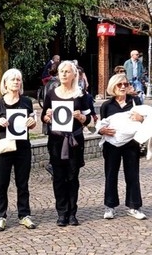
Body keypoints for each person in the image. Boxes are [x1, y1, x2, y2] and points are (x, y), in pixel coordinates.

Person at [0, 68, 39, 232]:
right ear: (5, 83)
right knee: (2, 183)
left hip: (23, 147)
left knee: (22, 183)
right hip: (4, 147)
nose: (16, 82)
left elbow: (33, 122)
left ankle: (24, 214)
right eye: (13, 80)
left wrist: (32, 122)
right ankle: (0, 216)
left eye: (18, 79)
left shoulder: (27, 102)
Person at [42, 61, 91, 227]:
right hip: (56, 141)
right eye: (61, 71)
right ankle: (61, 213)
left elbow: (90, 119)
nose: (63, 74)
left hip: (74, 141)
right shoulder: (51, 94)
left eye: (67, 71)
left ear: (73, 75)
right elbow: (45, 116)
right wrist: (47, 116)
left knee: (72, 177)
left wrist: (81, 117)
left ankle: (72, 213)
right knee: (58, 178)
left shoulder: (80, 95)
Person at [96, 73, 146, 221]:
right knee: (111, 174)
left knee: (132, 175)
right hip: (112, 144)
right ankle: (110, 206)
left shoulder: (135, 101)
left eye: (125, 84)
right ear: (113, 87)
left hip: (131, 144)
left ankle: (134, 206)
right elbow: (101, 124)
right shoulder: (107, 105)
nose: (123, 86)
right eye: (120, 84)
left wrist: (141, 118)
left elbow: (147, 120)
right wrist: (101, 131)